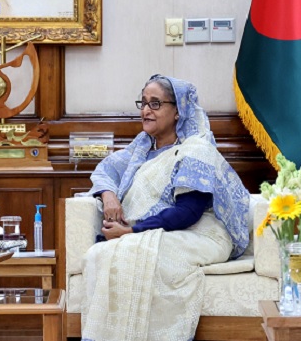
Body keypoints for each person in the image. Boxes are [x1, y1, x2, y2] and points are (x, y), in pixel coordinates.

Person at [79, 75, 250, 341]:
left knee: (136, 253)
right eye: (144, 102)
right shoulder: (141, 148)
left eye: (155, 104)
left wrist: (132, 231)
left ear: (178, 111)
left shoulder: (195, 149)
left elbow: (188, 213)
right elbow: (105, 170)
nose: (146, 110)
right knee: (97, 255)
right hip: (158, 230)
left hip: (201, 232)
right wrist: (109, 195)